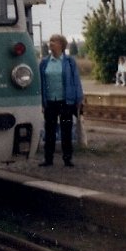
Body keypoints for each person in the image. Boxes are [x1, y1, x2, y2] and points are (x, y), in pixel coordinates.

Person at [39, 34, 84, 167]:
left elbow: (76, 80)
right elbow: (41, 83)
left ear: (61, 45)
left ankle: (67, 158)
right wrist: (42, 101)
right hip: (50, 101)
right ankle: (48, 159)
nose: (50, 43)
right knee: (50, 131)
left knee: (66, 130)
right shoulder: (44, 62)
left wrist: (79, 98)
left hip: (66, 101)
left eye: (54, 41)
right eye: (50, 41)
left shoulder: (69, 61)